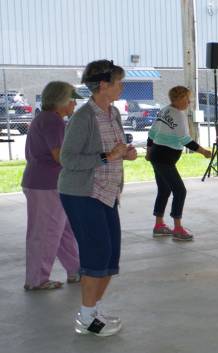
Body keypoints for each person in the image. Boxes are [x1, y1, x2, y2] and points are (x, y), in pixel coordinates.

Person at [59, 60, 137, 337]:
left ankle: (94, 310)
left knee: (110, 256)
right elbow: (68, 160)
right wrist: (107, 157)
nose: (122, 87)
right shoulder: (83, 118)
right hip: (82, 193)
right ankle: (85, 318)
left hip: (108, 192)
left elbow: (113, 149)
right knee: (95, 255)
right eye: (118, 82)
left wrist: (125, 153)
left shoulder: (113, 113)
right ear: (103, 85)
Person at [20, 81, 81, 291]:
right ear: (62, 101)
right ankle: (37, 279)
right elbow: (60, 156)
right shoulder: (53, 121)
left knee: (64, 230)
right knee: (45, 232)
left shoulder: (48, 119)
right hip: (45, 185)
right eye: (72, 100)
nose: (74, 104)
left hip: (47, 183)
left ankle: (75, 269)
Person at [146, 86, 212, 241]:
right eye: (186, 99)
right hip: (164, 158)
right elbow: (185, 140)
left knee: (164, 190)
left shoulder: (165, 110)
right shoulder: (179, 115)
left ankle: (159, 225)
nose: (189, 102)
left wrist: (149, 151)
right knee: (180, 191)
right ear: (176, 99)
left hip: (157, 154)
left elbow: (152, 133)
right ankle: (177, 228)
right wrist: (203, 151)